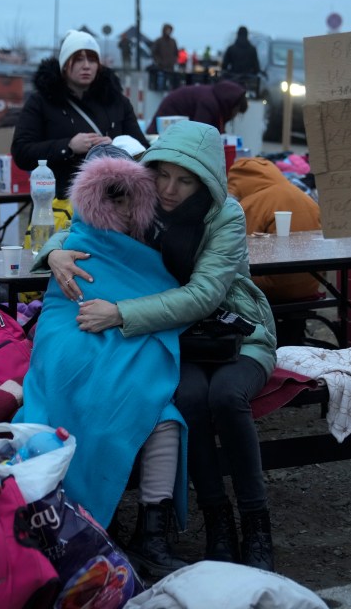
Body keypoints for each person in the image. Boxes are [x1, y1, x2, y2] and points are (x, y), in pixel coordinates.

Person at [47, 121, 278, 571]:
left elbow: (205, 295)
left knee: (226, 397)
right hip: (179, 338)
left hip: (237, 332)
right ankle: (217, 524)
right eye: (163, 175)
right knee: (187, 398)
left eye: (186, 180)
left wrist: (120, 314)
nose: (171, 189)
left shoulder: (224, 215)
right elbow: (87, 225)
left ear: (206, 179)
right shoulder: (142, 200)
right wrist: (54, 251)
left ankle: (255, 522)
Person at [19, 144, 190, 578]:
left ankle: (150, 533)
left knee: (159, 412)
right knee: (75, 386)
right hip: (70, 331)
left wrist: (120, 317)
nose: (123, 205)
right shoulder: (77, 238)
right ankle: (85, 522)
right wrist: (57, 250)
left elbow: (162, 292)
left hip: (131, 332)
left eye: (129, 194)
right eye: (111, 194)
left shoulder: (161, 233)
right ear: (94, 195)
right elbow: (60, 308)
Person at [12, 29, 149, 200]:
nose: (86, 65)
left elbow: (143, 152)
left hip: (114, 203)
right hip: (60, 205)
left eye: (92, 59)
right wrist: (68, 146)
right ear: (64, 64)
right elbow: (22, 152)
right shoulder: (41, 102)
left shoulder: (117, 102)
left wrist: (115, 147)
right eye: (77, 59)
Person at [227, 157, 321, 303]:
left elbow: (237, 250)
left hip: (273, 288)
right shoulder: (303, 195)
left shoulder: (250, 205)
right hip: (311, 283)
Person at [145, 80, 247, 134]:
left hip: (173, 127)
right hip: (163, 129)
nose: (234, 116)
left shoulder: (215, 98)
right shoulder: (208, 103)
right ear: (231, 104)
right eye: (237, 112)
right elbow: (200, 135)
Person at [221, 26, 262, 95]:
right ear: (247, 35)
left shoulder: (231, 48)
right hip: (247, 81)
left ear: (237, 35)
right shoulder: (252, 49)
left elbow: (224, 66)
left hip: (233, 79)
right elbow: (256, 68)